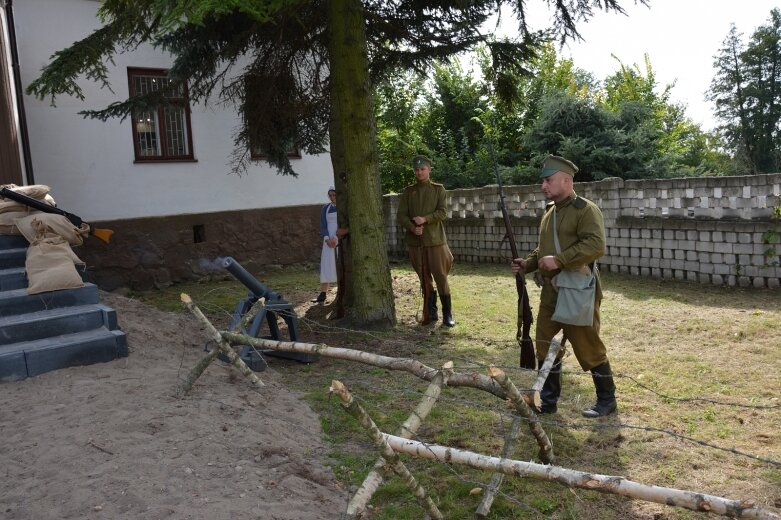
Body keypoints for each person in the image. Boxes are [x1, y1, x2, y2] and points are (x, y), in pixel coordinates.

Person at [511, 155, 617, 418]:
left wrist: (559, 260)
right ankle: (548, 402)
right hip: (551, 291)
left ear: (566, 181)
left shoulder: (586, 210)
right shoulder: (550, 212)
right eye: (543, 181)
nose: (543, 186)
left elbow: (595, 246)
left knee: (587, 344)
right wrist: (528, 264)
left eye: (548, 180)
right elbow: (543, 249)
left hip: (577, 290)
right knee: (544, 344)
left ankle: (607, 400)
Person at [396, 155, 455, 327]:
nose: (419, 172)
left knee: (441, 277)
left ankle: (447, 315)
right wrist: (412, 227)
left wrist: (425, 219)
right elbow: (401, 216)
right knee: (424, 278)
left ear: (429, 170)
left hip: (435, 241)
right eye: (417, 169)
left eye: (423, 169)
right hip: (416, 242)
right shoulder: (409, 191)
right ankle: (430, 312)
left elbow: (443, 212)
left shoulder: (438, 189)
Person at [312, 187, 342, 304]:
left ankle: (341, 292)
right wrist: (327, 239)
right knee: (326, 264)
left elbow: (343, 223)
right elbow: (323, 225)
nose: (332, 197)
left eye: (334, 195)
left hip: (339, 240)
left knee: (339, 264)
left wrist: (335, 238)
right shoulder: (325, 208)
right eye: (330, 195)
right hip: (328, 242)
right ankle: (323, 294)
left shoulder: (342, 208)